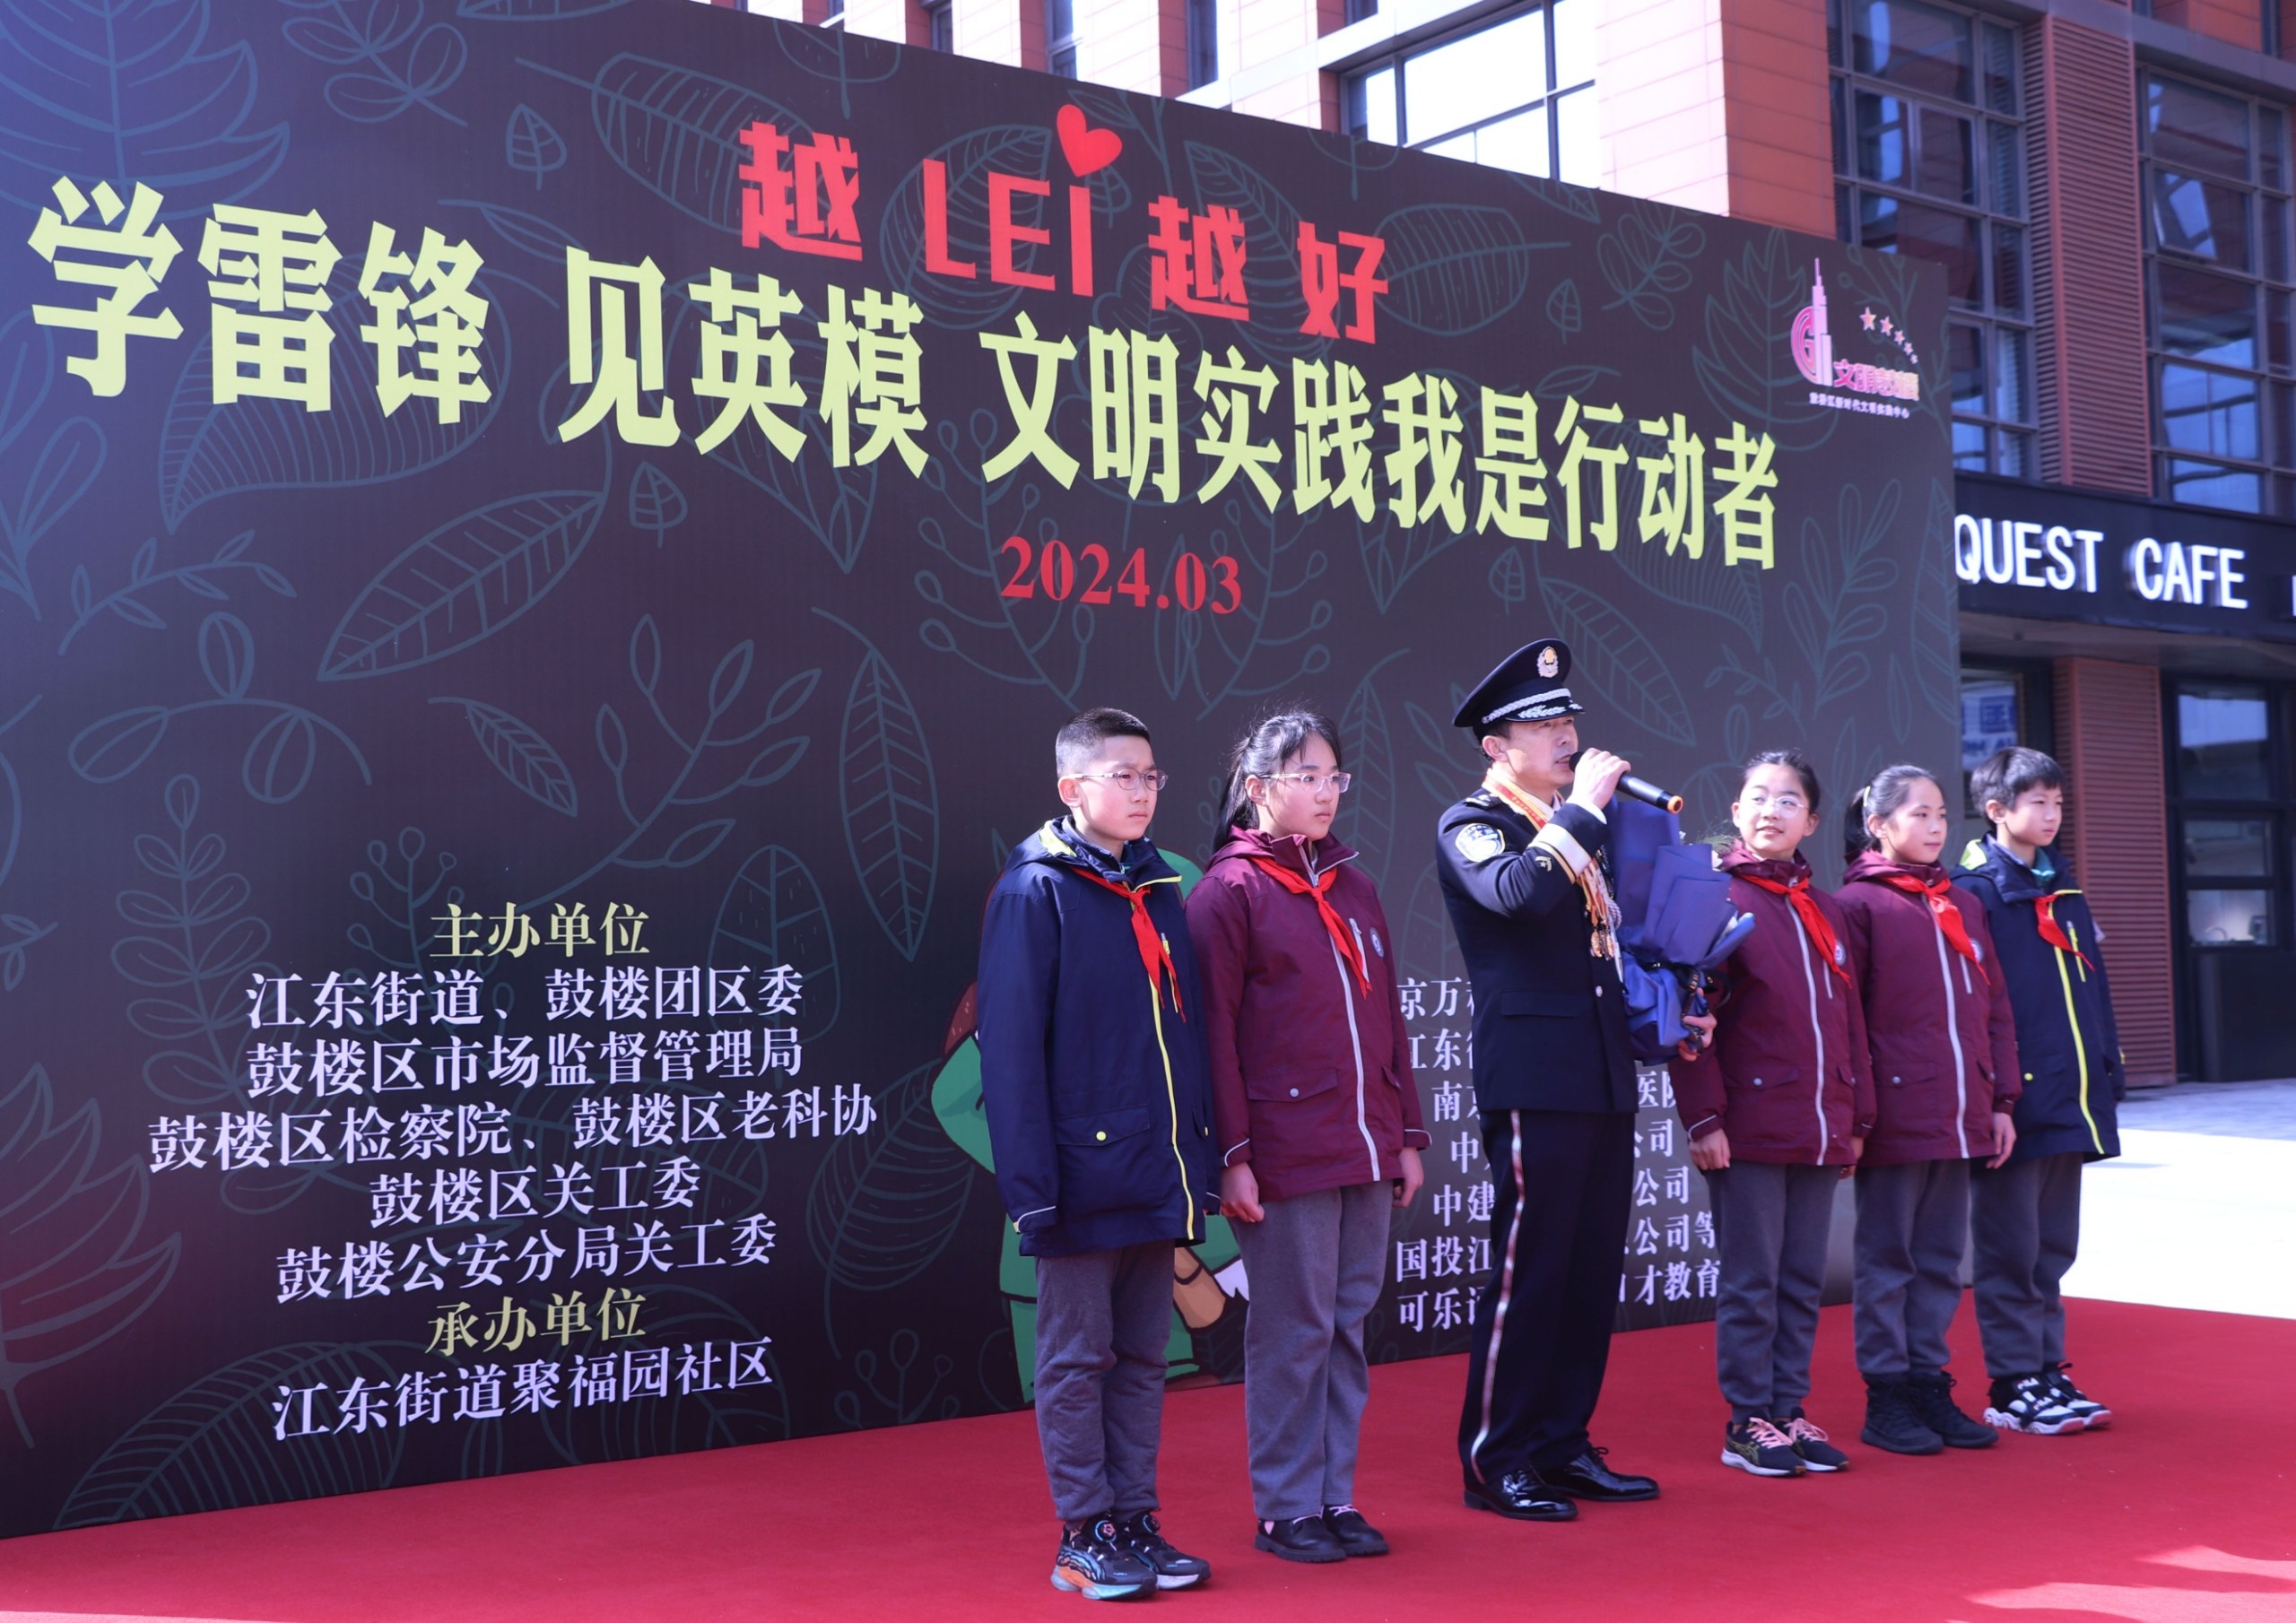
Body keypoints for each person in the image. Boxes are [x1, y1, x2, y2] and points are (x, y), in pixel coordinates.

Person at [1436, 638, 1710, 1522]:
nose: (1566, 736)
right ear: (1497, 746)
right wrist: (1586, 810)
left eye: (1567, 720)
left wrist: (1669, 1009)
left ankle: (1560, 1443)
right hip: (1534, 1076)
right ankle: (1498, 1457)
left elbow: (1603, 950)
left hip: (1600, 1070)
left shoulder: (1574, 829)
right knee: (1532, 1268)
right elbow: (1518, 896)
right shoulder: (1474, 823)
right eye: (1542, 725)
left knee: (1590, 1268)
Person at [975, 706, 1220, 1600]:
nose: (1143, 791)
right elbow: (1008, 1055)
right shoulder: (1034, 891)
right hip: (1079, 1179)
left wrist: (1196, 1161)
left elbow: (1184, 1040)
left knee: (1144, 1356)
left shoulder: (1159, 885)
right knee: (1076, 1360)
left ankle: (1135, 1520)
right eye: (1124, 776)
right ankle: (1083, 1533)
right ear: (1071, 787)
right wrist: (1033, 1191)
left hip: (1155, 1171)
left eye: (1151, 776)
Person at [1186, 707, 1430, 1564]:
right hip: (1285, 1152)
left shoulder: (1353, 886)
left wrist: (1406, 1136)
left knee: (1345, 1324)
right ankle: (1286, 1508)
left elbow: (1388, 1021)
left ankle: (1334, 1496)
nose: (1327, 793)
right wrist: (1234, 1158)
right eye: (1308, 778)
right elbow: (1213, 1038)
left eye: (1335, 777)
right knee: (1292, 1331)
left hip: (1365, 1145)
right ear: (1258, 788)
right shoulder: (1229, 892)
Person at [1674, 750, 1874, 1478]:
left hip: (1820, 1125)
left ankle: (1788, 1409)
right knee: (1752, 1280)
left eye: (1788, 800)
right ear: (1736, 812)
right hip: (1748, 1127)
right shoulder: (1714, 897)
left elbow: (1851, 1020)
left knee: (1800, 1280)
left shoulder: (1826, 908)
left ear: (1811, 821)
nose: (1770, 810)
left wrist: (1858, 1118)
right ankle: (1746, 1420)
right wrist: (1703, 1119)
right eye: (1757, 797)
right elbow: (1690, 1018)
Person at [1833, 765, 2022, 1456]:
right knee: (1888, 1259)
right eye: (1920, 814)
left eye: (1942, 813)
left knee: (1942, 1258)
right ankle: (1886, 1395)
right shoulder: (1856, 906)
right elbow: (1847, 1022)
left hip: (1962, 1109)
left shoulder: (1962, 904)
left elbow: (1995, 1008)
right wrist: (1859, 1115)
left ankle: (1926, 1384)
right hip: (1895, 1113)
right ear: (1878, 825)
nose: (1936, 826)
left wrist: (2001, 1100)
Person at [1956, 746, 2122, 1436]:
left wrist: (2107, 1070)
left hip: (2070, 1096)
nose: (2052, 815)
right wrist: (1993, 1095)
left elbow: (2094, 992)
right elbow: (1974, 1005)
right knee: (2009, 1249)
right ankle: (2013, 1380)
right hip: (2014, 1101)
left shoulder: (2066, 890)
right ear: (1997, 810)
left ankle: (2048, 1368)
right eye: (2037, 803)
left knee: (2053, 1246)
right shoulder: (1974, 893)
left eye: (2057, 803)